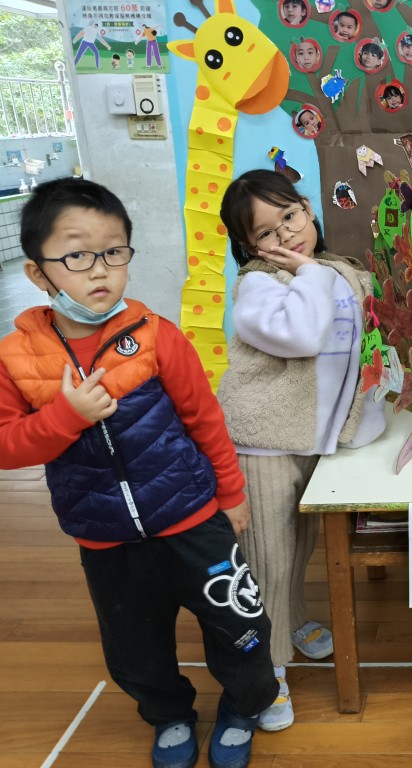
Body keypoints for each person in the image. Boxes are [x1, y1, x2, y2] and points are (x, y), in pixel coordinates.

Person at [0, 177, 278, 768]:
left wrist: (231, 493)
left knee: (241, 624)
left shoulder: (155, 337)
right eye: (77, 255)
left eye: (114, 251)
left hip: (192, 518)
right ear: (37, 273)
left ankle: (244, 705)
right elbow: (7, 447)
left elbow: (205, 420)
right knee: (134, 647)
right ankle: (169, 714)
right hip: (105, 537)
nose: (100, 270)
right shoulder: (15, 359)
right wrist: (66, 417)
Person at [217, 170, 386, 733]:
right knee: (267, 559)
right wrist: (309, 273)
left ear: (308, 210)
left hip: (310, 439)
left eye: (289, 216)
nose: (285, 234)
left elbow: (362, 348)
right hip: (263, 440)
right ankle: (265, 672)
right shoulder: (259, 286)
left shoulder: (339, 270)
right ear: (249, 247)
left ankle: (290, 622)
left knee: (300, 544)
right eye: (266, 232)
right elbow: (303, 336)